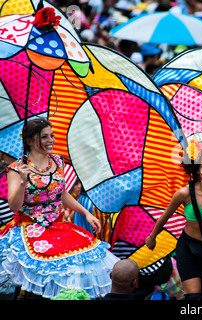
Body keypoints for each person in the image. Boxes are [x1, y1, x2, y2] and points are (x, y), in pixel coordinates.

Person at [1, 118, 119, 299]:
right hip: (29, 231)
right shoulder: (16, 169)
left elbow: (61, 193)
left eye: (52, 135)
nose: (51, 140)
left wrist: (86, 213)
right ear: (30, 140)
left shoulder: (58, 161)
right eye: (44, 137)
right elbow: (14, 206)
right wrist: (23, 182)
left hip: (59, 227)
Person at [145, 129, 202, 300]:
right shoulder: (184, 193)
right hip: (188, 249)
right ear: (197, 170)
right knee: (194, 298)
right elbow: (165, 217)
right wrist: (152, 237)